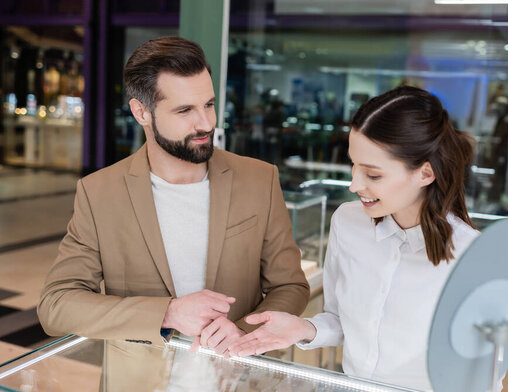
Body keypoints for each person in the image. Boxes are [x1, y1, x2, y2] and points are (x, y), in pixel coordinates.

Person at [37, 37, 309, 353]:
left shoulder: (259, 180)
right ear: (141, 112)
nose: (206, 122)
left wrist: (241, 333)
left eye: (209, 104)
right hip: (142, 389)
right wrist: (168, 313)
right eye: (184, 110)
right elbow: (56, 305)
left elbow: (290, 286)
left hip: (238, 383)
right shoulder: (99, 193)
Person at [229, 86, 494, 392]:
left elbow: (488, 371)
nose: (355, 184)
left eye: (373, 175)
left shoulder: (474, 256)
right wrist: (304, 329)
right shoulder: (347, 222)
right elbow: (343, 320)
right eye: (354, 165)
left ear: (425, 173)